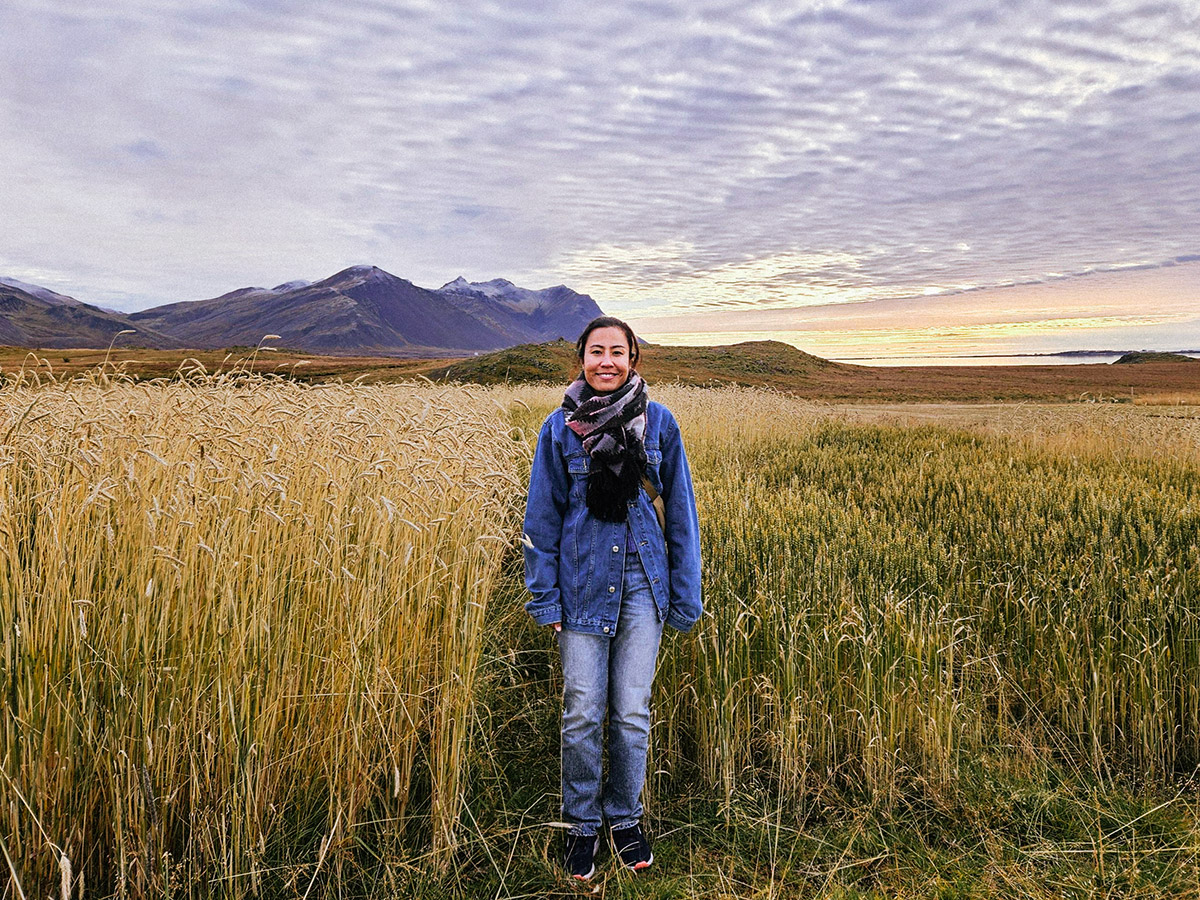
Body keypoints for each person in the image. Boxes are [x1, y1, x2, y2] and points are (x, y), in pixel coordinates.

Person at [522, 316, 703, 881]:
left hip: (643, 586)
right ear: (581, 359)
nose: (606, 361)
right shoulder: (558, 429)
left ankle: (624, 816)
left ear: (634, 360)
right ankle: (581, 824)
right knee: (581, 711)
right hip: (579, 588)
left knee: (629, 712)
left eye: (617, 352)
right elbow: (542, 517)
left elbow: (681, 513)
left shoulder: (660, 423)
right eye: (596, 351)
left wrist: (683, 594)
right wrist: (545, 598)